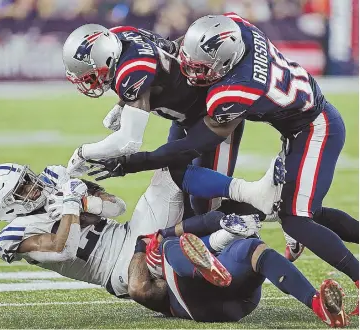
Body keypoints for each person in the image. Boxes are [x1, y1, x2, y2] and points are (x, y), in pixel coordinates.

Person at [84, 14, 359, 311]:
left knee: (296, 218)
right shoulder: (234, 29)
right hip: (295, 125)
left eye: (199, 68)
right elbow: (179, 48)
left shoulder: (235, 89)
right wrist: (126, 101)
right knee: (301, 210)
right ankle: (244, 222)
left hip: (315, 128)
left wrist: (133, 162)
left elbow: (192, 145)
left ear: (225, 65)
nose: (190, 71)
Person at [0, 157, 282, 298]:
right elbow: (63, 248)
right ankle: (233, 239)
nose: (33, 186)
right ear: (9, 207)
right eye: (23, 190)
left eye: (28, 179)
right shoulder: (14, 235)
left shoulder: (55, 184)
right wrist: (71, 205)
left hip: (130, 232)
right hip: (118, 269)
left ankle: (257, 199)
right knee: (188, 251)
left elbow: (117, 207)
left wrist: (87, 204)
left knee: (169, 174)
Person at [62, 24, 245, 215]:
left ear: (107, 58)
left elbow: (128, 142)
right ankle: (189, 239)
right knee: (176, 185)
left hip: (213, 117)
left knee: (207, 203)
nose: (88, 83)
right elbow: (169, 50)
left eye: (90, 76)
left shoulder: (133, 70)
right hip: (186, 115)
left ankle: (254, 217)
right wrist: (122, 104)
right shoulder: (121, 35)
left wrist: (83, 152)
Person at [127, 211, 349, 327]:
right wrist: (152, 240)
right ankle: (315, 303)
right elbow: (138, 289)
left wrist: (143, 244)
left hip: (202, 300)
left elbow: (138, 288)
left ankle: (206, 267)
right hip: (235, 304)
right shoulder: (156, 253)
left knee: (252, 248)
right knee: (255, 250)